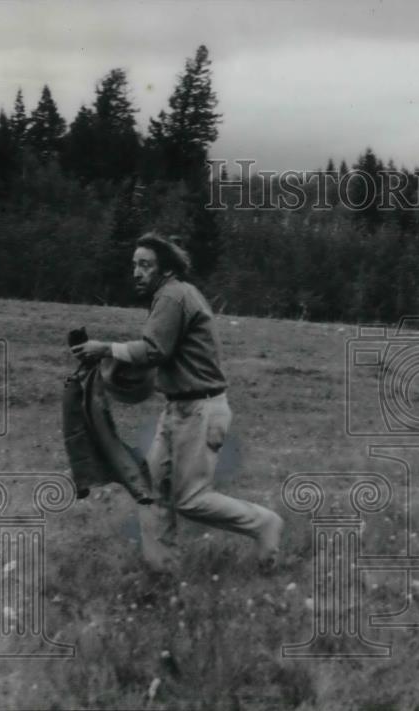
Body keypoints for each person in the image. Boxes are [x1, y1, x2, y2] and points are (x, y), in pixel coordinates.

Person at [71, 231, 283, 573]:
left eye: (145, 265)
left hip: (199, 410)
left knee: (190, 499)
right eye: (134, 265)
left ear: (165, 269)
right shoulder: (172, 295)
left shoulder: (172, 296)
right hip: (180, 408)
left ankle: (263, 524)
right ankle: (163, 572)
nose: (137, 272)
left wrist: (106, 349)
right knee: (151, 491)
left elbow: (154, 351)